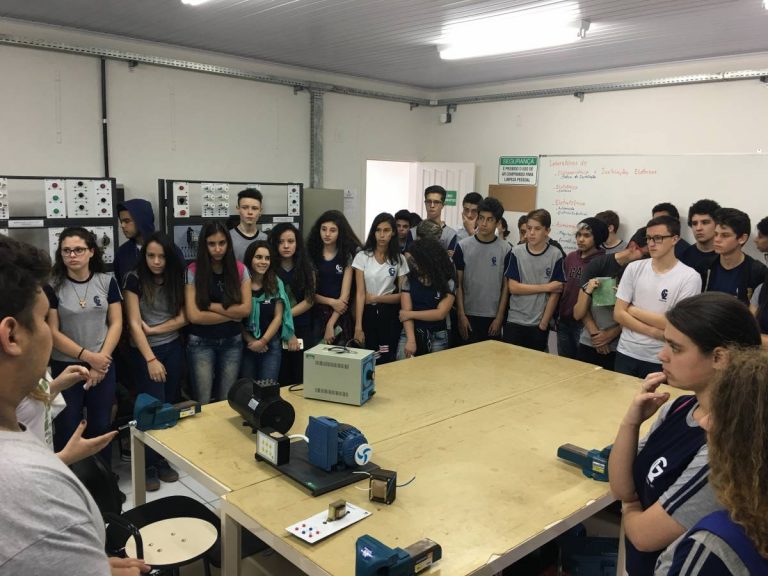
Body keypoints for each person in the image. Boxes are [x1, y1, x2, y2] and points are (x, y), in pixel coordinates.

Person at [0, 235, 150, 576]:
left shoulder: (19, 445)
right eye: (42, 321)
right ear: (11, 336)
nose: (47, 332)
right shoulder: (40, 493)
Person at [608, 292, 762, 576]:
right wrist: (631, 422)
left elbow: (643, 536)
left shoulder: (723, 446)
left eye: (676, 348)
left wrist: (629, 504)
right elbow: (619, 487)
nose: (661, 355)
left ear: (719, 357)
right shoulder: (679, 407)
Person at [655, 347, 768, 575]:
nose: (705, 422)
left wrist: (629, 505)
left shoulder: (712, 546)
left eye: (720, 413)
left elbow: (644, 536)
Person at [46, 227, 122, 465]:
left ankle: (103, 477)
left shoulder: (106, 281)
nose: (72, 255)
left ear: (91, 252)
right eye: (66, 250)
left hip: (102, 365)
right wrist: (89, 357)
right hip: (66, 367)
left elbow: (116, 323)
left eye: (78, 250)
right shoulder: (53, 286)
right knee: (67, 425)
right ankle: (70, 478)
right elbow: (52, 332)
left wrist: (101, 361)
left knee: (100, 424)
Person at [124, 231, 186, 489]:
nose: (156, 261)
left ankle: (161, 459)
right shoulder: (134, 278)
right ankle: (147, 464)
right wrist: (150, 359)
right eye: (151, 256)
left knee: (168, 405)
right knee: (150, 408)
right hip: (146, 352)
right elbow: (134, 324)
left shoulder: (177, 277)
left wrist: (156, 330)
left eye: (161, 256)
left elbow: (184, 318)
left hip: (173, 347)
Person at [614, 216, 701, 378]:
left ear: (675, 239)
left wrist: (632, 310)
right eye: (648, 238)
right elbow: (618, 314)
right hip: (626, 351)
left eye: (658, 238)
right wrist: (654, 332)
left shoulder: (689, 277)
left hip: (661, 357)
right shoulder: (634, 268)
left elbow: (676, 324)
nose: (651, 243)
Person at [185, 221, 251, 404]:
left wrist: (209, 306)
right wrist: (232, 314)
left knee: (226, 401)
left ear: (228, 243)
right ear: (204, 245)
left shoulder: (240, 269)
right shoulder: (192, 270)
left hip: (232, 342)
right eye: (212, 244)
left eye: (222, 243)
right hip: (200, 343)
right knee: (203, 401)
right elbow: (194, 316)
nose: (217, 249)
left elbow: (245, 310)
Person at [573, 228, 648, 370]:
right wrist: (596, 336)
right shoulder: (599, 267)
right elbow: (578, 312)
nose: (647, 261)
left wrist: (609, 335)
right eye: (645, 255)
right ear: (633, 246)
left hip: (617, 346)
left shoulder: (644, 277)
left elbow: (637, 316)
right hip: (589, 341)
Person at [503, 209, 565, 352]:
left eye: (537, 229)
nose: (531, 233)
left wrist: (544, 323)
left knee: (534, 364)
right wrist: (546, 287)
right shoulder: (516, 252)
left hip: (538, 323)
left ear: (547, 231)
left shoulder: (556, 254)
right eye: (529, 228)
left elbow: (556, 291)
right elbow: (513, 287)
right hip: (515, 320)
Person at [453, 197, 511, 344]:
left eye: (490, 220)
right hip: (468, 314)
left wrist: (499, 317)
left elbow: (506, 287)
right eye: (481, 218)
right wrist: (461, 315)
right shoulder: (462, 246)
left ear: (498, 223)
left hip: (493, 316)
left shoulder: (506, 249)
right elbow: (458, 284)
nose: (484, 223)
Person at [353, 212, 409, 364]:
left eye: (386, 230)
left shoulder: (399, 259)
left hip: (389, 313)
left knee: (388, 358)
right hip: (367, 312)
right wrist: (358, 326)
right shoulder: (363, 257)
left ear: (393, 233)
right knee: (370, 359)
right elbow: (360, 294)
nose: (382, 235)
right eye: (378, 230)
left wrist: (377, 298)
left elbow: (402, 296)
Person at [269, 222, 315, 385]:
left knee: (300, 378)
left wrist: (285, 316)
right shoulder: (269, 268)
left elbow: (309, 300)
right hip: (274, 328)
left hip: (302, 326)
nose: (286, 246)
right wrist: (281, 321)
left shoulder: (306, 266)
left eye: (290, 241)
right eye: (281, 242)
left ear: (297, 243)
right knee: (280, 377)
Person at [556, 217, 608, 359]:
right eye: (578, 235)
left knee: (581, 364)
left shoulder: (603, 262)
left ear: (597, 238)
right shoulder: (571, 257)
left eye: (586, 236)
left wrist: (594, 330)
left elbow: (601, 300)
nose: (580, 239)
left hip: (585, 325)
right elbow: (564, 287)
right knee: (563, 363)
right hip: (565, 320)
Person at [307, 210, 361, 345]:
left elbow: (345, 296)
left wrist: (331, 324)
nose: (327, 234)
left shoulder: (347, 255)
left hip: (340, 314)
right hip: (315, 312)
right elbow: (309, 293)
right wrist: (331, 302)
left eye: (332, 230)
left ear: (340, 232)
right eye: (323, 229)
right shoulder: (311, 254)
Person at [241, 240, 292, 382]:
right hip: (246, 344)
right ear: (250, 259)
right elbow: (235, 318)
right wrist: (251, 341)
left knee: (267, 389)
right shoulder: (241, 283)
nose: (263, 262)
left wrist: (263, 341)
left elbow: (278, 317)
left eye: (267, 258)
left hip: (271, 344)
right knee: (247, 390)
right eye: (258, 257)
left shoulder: (275, 283)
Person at [397, 237, 455, 358]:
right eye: (413, 260)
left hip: (437, 334)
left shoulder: (448, 280)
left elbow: (440, 314)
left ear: (429, 260)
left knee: (434, 369)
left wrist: (410, 314)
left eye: (417, 261)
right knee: (402, 365)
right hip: (410, 331)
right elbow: (405, 313)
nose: (414, 264)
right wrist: (411, 340)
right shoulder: (409, 278)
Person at [701, 207, 766, 304]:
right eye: (715, 234)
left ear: (742, 238)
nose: (717, 239)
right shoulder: (706, 265)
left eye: (725, 235)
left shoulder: (758, 272)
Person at [114, 199, 156, 287]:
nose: (122, 226)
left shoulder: (166, 248)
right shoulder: (122, 253)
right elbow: (121, 284)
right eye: (121, 221)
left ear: (142, 220)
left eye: (127, 221)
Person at [410, 185, 458, 253]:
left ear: (443, 205)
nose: (432, 205)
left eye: (436, 202)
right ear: (425, 203)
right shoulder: (412, 232)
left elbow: (450, 258)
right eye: (429, 201)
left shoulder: (450, 235)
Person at [679, 199, 720, 274]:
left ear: (717, 224)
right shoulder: (683, 257)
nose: (698, 228)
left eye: (705, 222)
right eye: (694, 223)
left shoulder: (726, 256)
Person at [230, 188, 268, 263]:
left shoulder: (266, 239)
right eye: (245, 208)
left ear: (260, 211)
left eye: (254, 208)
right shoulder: (228, 238)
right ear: (238, 209)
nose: (250, 212)